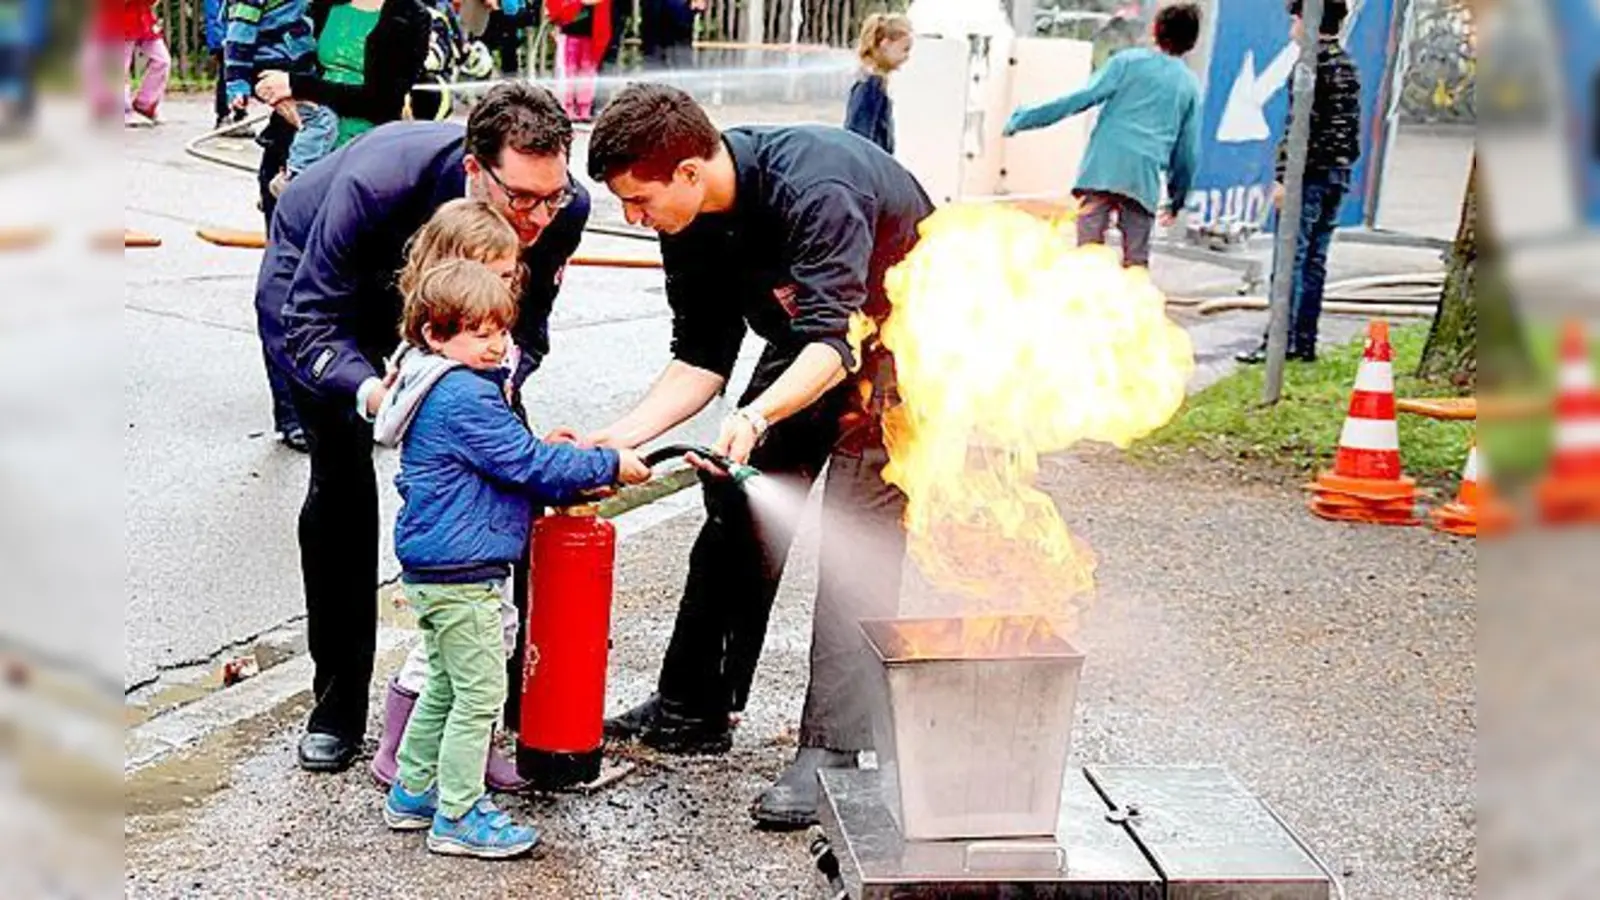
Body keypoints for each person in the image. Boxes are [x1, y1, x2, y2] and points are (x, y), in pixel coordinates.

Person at [585, 83, 935, 828]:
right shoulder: (689, 224)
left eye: (638, 201)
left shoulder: (817, 184)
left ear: (688, 171)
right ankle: (693, 705)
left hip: (911, 343)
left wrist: (758, 412)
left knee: (857, 533)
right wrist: (616, 436)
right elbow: (702, 358)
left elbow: (836, 343)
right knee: (740, 499)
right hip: (809, 344)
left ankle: (838, 752)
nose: (632, 219)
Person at [256, 83, 591, 773]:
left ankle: (507, 708)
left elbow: (522, 330)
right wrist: (382, 395)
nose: (536, 217)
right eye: (520, 199)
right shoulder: (377, 182)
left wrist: (478, 410)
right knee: (342, 478)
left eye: (549, 196)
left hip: (466, 323)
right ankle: (339, 703)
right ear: (475, 168)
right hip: (337, 290)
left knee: (511, 474)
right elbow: (310, 321)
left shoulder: (562, 208)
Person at [377, 259, 651, 858]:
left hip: (438, 571)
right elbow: (524, 465)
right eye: (479, 333)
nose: (497, 345)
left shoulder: (435, 386)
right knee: (479, 696)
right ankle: (459, 813)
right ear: (434, 334)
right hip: (464, 572)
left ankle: (412, 791)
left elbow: (512, 457)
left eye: (501, 331)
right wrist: (608, 465)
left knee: (447, 687)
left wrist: (541, 452)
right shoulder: (462, 394)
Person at [369, 198, 538, 794]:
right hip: (461, 540)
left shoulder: (471, 349)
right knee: (455, 661)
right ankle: (410, 762)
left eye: (506, 275)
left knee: (483, 644)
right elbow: (507, 452)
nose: (499, 288)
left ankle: (451, 757)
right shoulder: (449, 371)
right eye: (487, 274)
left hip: (473, 533)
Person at [249, 0, 432, 450]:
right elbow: (266, 61)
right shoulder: (315, 3)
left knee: (360, 291)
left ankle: (364, 395)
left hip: (370, 174)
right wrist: (278, 93)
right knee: (285, 292)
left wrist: (301, 86)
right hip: (299, 161)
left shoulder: (411, 16)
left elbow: (382, 98)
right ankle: (294, 411)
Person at [1001, 1, 1204, 268]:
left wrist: (1025, 119)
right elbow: (1186, 153)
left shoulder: (1126, 62)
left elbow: (1080, 98)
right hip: (1142, 180)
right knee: (1135, 264)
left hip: (1101, 171)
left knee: (1086, 258)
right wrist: (1177, 200)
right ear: (1192, 42)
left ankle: (1080, 304)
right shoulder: (1188, 85)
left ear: (1155, 29)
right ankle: (1132, 306)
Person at [1237, 0, 1362, 365]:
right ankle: (1305, 341)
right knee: (1315, 260)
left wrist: (1282, 178)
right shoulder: (1347, 64)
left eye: (1295, 16)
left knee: (1290, 257)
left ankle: (1278, 340)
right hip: (1338, 174)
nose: (1291, 24)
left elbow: (1299, 128)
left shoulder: (1309, 66)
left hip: (1308, 175)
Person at [222, 0, 336, 192]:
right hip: (278, 62)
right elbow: (237, 37)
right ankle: (294, 178)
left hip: (296, 59)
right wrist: (237, 82)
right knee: (319, 121)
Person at [843, 12, 912, 155]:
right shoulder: (870, 86)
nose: (907, 57)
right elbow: (860, 141)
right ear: (885, 44)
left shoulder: (870, 82)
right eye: (905, 49)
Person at [546, 0, 612, 123]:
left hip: (592, 32)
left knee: (588, 71)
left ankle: (584, 108)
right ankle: (567, 107)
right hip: (569, 31)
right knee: (569, 70)